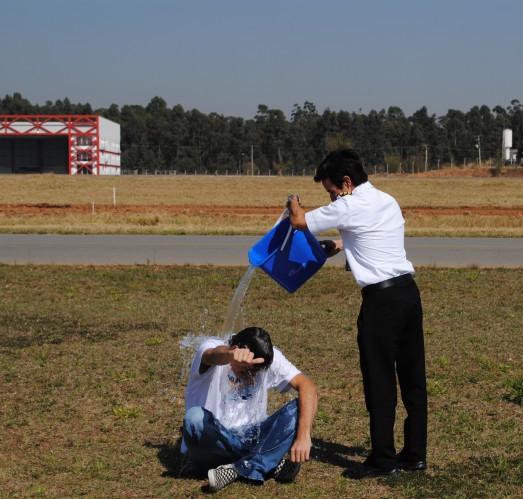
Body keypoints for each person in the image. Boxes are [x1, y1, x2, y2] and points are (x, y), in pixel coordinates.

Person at [287, 148, 427, 480]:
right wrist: (340, 245)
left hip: (381, 303)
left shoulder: (348, 205)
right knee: (412, 379)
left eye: (332, 192)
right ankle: (415, 455)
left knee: (379, 381)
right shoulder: (386, 200)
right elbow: (371, 236)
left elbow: (298, 220)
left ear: (346, 183)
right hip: (408, 294)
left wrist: (292, 199)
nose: (332, 200)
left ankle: (382, 460)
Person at [181, 326, 318, 492]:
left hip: (252, 437)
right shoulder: (215, 347)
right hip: (216, 440)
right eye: (247, 368)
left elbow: (308, 387)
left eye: (256, 371)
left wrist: (304, 436)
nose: (252, 375)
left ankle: (238, 468)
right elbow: (211, 355)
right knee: (194, 419)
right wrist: (230, 355)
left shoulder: (267, 357)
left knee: (299, 408)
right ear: (235, 348)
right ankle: (265, 462)